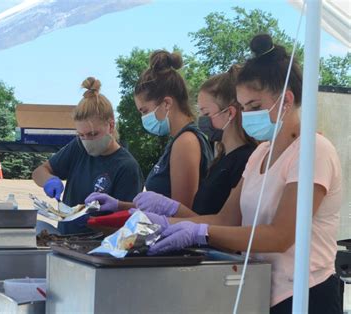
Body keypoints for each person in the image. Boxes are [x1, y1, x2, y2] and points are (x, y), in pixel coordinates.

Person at [137, 34, 343, 313]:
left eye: (255, 107)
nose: (248, 116)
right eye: (244, 107)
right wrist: (167, 222)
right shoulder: (259, 154)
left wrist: (201, 233)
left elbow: (281, 236)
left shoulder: (313, 151)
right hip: (259, 290)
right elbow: (227, 219)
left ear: (285, 100)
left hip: (306, 295)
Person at [86, 50, 213, 211]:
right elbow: (166, 208)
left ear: (166, 103)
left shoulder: (186, 142)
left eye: (144, 111)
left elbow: (182, 214)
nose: (143, 118)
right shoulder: (178, 141)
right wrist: (119, 206)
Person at [135, 66, 257, 218]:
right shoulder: (222, 160)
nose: (202, 119)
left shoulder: (244, 160)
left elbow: (223, 223)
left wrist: (168, 215)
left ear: (230, 113)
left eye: (206, 113)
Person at [32, 77, 143, 207]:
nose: (87, 141)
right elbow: (39, 172)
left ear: (111, 126)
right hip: (66, 226)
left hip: (102, 228)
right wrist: (49, 180)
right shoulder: (78, 147)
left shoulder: (127, 167)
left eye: (93, 134)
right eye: (81, 135)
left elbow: (128, 218)